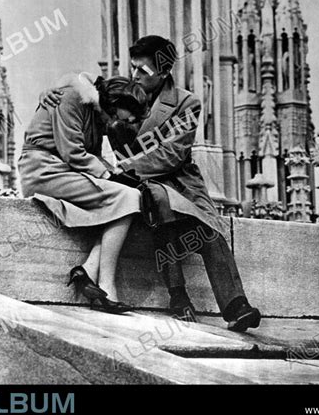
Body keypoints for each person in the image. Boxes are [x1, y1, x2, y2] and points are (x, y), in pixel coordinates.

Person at [44, 38, 261, 332]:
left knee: (208, 229)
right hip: (137, 184)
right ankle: (177, 294)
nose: (135, 76)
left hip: (179, 181)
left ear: (164, 71)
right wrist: (53, 94)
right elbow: (82, 86)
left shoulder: (187, 102)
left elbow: (173, 153)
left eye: (143, 71)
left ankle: (236, 305)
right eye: (133, 69)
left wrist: (124, 166)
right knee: (157, 201)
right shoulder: (120, 95)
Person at [19, 72, 149, 315]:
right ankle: (106, 286)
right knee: (128, 198)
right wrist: (111, 177)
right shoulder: (71, 98)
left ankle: (89, 271)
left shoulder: (97, 114)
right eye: (131, 111)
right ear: (117, 102)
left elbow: (94, 155)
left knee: (128, 199)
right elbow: (72, 152)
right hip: (43, 170)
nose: (131, 119)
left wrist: (115, 173)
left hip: (65, 171)